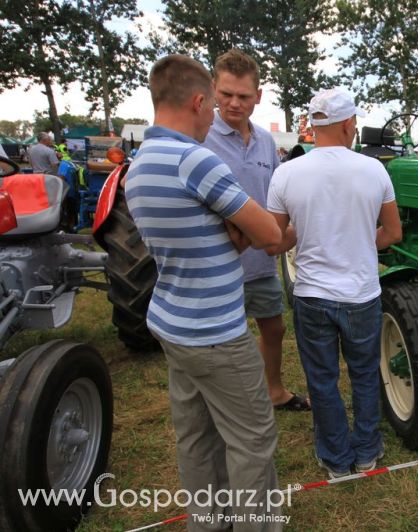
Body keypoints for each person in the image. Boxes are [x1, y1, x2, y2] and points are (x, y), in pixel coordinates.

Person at [125, 54, 286, 530]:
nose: (222, 109)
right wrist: (242, 228)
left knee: (195, 436)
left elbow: (205, 236)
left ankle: (208, 521)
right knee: (252, 439)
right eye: (217, 101)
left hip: (172, 322)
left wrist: (235, 230)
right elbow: (269, 235)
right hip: (216, 331)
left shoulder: (139, 164)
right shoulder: (195, 159)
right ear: (200, 101)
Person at [267, 87, 403, 478]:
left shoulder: (287, 172)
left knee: (322, 379)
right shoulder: (375, 169)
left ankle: (335, 458)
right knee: (364, 373)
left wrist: (308, 232)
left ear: (312, 125)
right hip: (361, 294)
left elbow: (278, 239)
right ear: (348, 125)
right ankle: (365, 450)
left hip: (312, 296)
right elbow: (393, 233)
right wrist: (362, 241)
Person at [202, 49, 309, 412]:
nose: (234, 103)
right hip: (218, 261)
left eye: (244, 96)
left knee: (274, 329)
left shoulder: (265, 142)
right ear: (213, 89)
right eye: (227, 93)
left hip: (261, 259)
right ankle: (226, 404)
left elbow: (276, 192)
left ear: (258, 97)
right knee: (220, 341)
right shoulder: (200, 138)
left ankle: (274, 391)